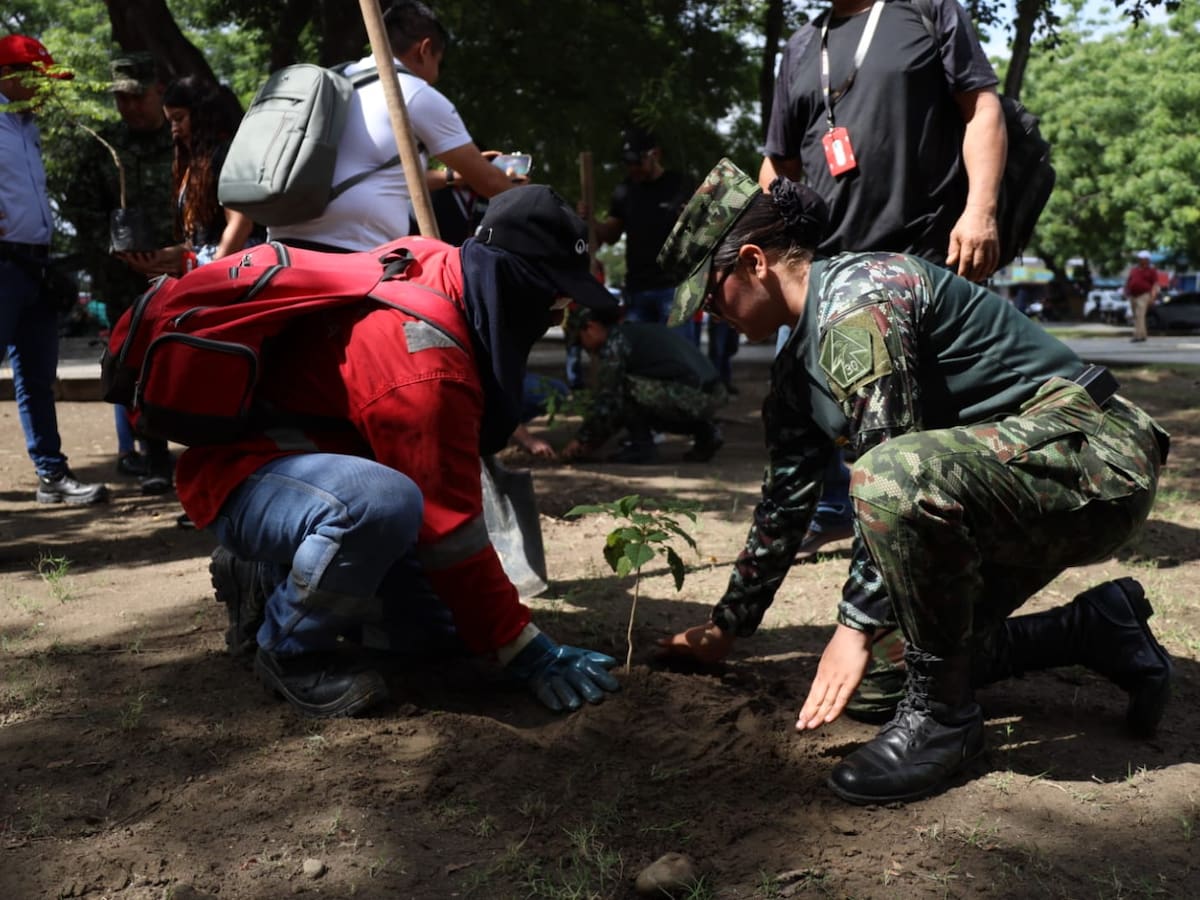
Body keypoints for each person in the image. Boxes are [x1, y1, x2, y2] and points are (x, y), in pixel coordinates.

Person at [656, 159, 1172, 805]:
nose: (709, 313)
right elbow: (784, 505)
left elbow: (890, 466)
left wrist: (851, 625)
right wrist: (726, 627)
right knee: (882, 683)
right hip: (1012, 479)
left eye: (710, 293)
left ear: (754, 262)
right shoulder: (794, 377)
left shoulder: (860, 299)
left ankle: (946, 726)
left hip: (1097, 454)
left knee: (887, 477)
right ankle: (1094, 629)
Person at [194, 185, 622, 718]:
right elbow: (448, 532)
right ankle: (289, 648)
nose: (557, 315)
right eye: (556, 299)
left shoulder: (443, 262)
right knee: (380, 504)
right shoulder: (427, 365)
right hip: (249, 475)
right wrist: (525, 649)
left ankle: (272, 576)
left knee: (434, 634)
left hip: (318, 463)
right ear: (518, 285)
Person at [761, 0, 1008, 567]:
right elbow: (778, 164)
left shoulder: (928, 12)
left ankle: (945, 538)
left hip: (918, 263)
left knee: (927, 431)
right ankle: (828, 519)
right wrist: (774, 258)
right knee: (805, 418)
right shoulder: (801, 45)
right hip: (823, 277)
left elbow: (981, 107)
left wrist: (980, 210)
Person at [269, 0, 516, 252]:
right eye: (438, 63)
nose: (436, 75)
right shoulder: (415, 93)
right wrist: (528, 196)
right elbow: (492, 184)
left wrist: (450, 177)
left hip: (282, 241)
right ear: (425, 49)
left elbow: (380, 173)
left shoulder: (335, 80)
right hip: (352, 251)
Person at [0, 35, 109, 506]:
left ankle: (51, 475)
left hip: (37, 264)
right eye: (37, 78)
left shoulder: (26, 125)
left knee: (38, 375)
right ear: (9, 76)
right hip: (2, 263)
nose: (46, 88)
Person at [64, 51, 177, 493]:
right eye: (121, 98)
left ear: (158, 91)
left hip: (183, 269)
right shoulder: (104, 147)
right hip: (123, 279)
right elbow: (83, 211)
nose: (129, 106)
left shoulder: (182, 135)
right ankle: (152, 458)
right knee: (135, 366)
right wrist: (116, 250)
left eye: (137, 96)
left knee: (186, 357)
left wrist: (187, 250)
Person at [559, 306, 725, 465]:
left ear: (591, 327)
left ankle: (642, 447)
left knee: (623, 388)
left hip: (693, 396)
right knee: (646, 403)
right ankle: (706, 431)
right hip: (710, 393)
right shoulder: (635, 332)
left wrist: (582, 440)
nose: (585, 349)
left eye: (580, 341)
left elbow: (608, 400)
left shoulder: (615, 343)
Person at [587, 127, 695, 330]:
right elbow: (610, 235)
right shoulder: (625, 191)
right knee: (640, 356)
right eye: (627, 163)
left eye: (637, 161)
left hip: (673, 288)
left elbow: (701, 231)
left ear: (655, 154)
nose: (632, 168)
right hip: (637, 290)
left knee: (678, 357)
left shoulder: (681, 184)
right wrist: (589, 219)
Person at [1124, 250, 1160, 343]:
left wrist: (1153, 296)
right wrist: (1126, 291)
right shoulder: (1134, 270)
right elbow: (1129, 281)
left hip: (1143, 295)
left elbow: (1155, 284)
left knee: (1140, 314)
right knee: (1135, 315)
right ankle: (1142, 334)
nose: (1140, 260)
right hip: (1133, 295)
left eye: (1143, 259)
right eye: (1140, 258)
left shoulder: (1151, 270)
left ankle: (1138, 335)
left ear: (1147, 260)